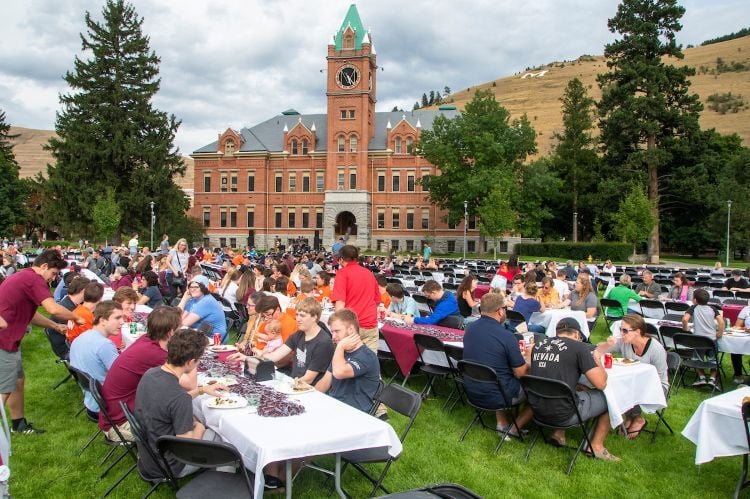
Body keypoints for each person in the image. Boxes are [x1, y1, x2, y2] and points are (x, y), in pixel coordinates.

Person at [0, 250, 86, 434]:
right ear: (44, 266)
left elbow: (32, 315)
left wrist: (55, 326)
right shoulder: (34, 279)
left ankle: (19, 424)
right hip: (3, 340)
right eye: (53, 274)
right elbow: (53, 308)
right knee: (4, 388)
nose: (52, 279)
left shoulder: (24, 277)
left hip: (9, 339)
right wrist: (77, 319)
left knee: (17, 381)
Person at [134, 328, 225, 480]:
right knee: (224, 438)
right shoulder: (179, 398)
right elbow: (187, 448)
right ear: (190, 362)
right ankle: (222, 483)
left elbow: (169, 401)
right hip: (171, 466)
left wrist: (201, 390)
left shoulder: (151, 374)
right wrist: (201, 427)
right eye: (198, 360)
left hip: (149, 456)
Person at [530, 318, 619, 461]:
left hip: (537, 410)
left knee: (571, 388)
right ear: (577, 334)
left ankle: (558, 434)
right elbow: (601, 384)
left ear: (557, 332)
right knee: (611, 397)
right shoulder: (580, 348)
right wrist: (596, 357)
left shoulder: (538, 344)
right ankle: (596, 447)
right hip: (563, 413)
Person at [99, 306, 185, 442]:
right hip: (122, 425)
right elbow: (185, 383)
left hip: (115, 414)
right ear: (170, 332)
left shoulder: (146, 340)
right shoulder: (154, 353)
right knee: (184, 424)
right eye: (180, 328)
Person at [462, 293, 533, 435]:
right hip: (497, 394)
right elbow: (521, 374)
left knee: (498, 374)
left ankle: (502, 422)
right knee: (539, 391)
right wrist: (529, 357)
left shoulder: (469, 329)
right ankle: (514, 429)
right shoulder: (506, 336)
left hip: (471, 389)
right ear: (500, 311)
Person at [230, 297, 334, 387]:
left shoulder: (323, 342)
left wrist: (285, 385)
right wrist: (247, 358)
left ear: (314, 317)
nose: (298, 319)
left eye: (302, 316)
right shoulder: (299, 334)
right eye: (297, 315)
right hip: (294, 382)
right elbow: (275, 356)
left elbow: (309, 379)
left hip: (309, 390)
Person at [596, 314, 668, 438]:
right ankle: (631, 417)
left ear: (638, 332)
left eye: (625, 330)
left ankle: (637, 419)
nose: (621, 333)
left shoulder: (656, 349)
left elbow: (659, 378)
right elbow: (599, 350)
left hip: (656, 387)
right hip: (632, 382)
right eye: (620, 330)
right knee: (615, 385)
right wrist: (608, 344)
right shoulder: (624, 342)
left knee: (623, 387)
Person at [316, 308, 380, 413]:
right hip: (334, 406)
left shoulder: (367, 356)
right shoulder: (342, 353)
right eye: (332, 332)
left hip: (354, 414)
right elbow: (325, 381)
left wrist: (340, 347)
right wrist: (310, 396)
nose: (333, 337)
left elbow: (339, 373)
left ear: (351, 329)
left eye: (337, 331)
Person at [69, 301, 124, 419]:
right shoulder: (104, 345)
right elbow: (122, 378)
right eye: (117, 318)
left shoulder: (80, 338)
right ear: (103, 320)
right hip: (105, 407)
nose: (122, 322)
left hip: (91, 403)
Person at [332, 245, 380, 352]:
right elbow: (377, 301)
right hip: (370, 324)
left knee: (347, 363)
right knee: (369, 362)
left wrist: (337, 327)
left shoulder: (342, 273)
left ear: (341, 259)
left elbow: (340, 304)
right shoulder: (368, 273)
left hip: (351, 325)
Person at [682, 288, 724, 388]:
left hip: (698, 340)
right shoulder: (713, 308)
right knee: (713, 360)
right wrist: (719, 333)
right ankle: (712, 379)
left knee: (697, 359)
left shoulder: (693, 308)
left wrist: (686, 328)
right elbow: (721, 322)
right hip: (711, 340)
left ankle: (702, 377)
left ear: (695, 300)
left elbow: (684, 319)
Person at [178, 275, 227, 342]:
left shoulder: (206, 301)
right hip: (199, 335)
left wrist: (177, 323)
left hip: (214, 339)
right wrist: (184, 299)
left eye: (196, 287)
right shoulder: (193, 300)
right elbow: (177, 318)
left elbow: (183, 323)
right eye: (191, 287)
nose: (193, 289)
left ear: (204, 288)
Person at [731, 305, 750, 385]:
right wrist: (745, 328)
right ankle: (738, 375)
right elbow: (737, 326)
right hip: (745, 337)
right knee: (735, 348)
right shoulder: (746, 309)